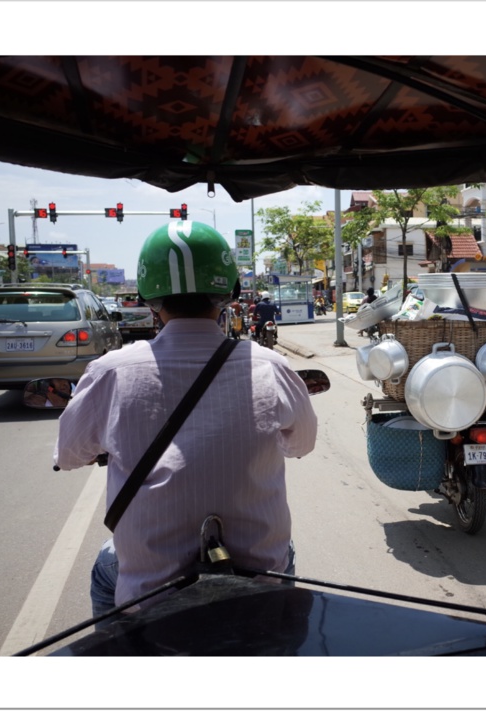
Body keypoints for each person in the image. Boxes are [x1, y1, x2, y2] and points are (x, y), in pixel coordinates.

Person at [53, 221, 318, 617]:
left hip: (152, 596)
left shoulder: (110, 372)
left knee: (105, 568)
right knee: (286, 554)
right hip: (259, 581)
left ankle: (115, 645)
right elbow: (302, 444)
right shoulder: (271, 366)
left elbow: (69, 454)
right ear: (230, 293)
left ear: (148, 298)